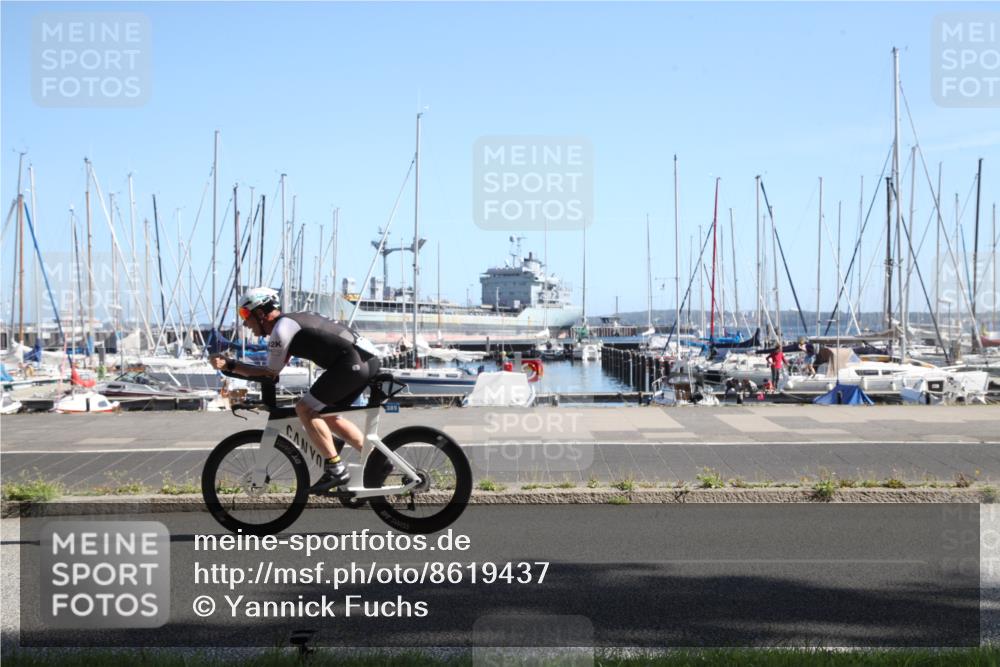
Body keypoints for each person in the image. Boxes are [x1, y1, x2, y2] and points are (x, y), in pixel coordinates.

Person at [209, 287, 379, 494]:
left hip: (351, 363)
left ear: (261, 313)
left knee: (305, 409)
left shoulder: (281, 330)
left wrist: (230, 366)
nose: (245, 322)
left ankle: (336, 469)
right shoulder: (289, 324)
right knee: (327, 416)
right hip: (364, 361)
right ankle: (380, 461)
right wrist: (232, 367)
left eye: (245, 314)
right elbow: (272, 373)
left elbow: (269, 374)